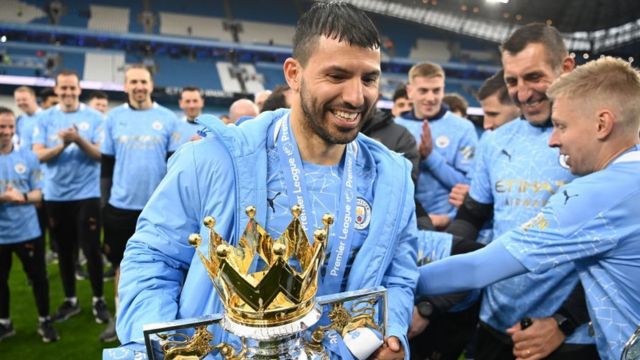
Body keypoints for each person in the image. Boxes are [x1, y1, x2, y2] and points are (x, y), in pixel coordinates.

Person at [113, 3, 417, 359]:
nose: (356, 96)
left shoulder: (392, 178)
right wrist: (162, 350)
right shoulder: (214, 158)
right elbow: (153, 258)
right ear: (294, 74)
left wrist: (393, 330)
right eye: (336, 76)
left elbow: (399, 275)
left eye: (369, 78)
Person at [418, 56, 640, 360]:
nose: (553, 140)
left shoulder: (598, 195)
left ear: (602, 124)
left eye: (561, 126)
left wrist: (396, 280)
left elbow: (477, 269)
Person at [443, 23, 597, 360]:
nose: (523, 93)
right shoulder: (495, 141)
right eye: (512, 81)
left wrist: (563, 321)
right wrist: (435, 280)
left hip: (570, 338)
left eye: (534, 77)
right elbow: (471, 217)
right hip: (493, 324)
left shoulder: (601, 142)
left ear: (566, 68)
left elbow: (618, 252)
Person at [100, 64, 179, 342]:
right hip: (120, 208)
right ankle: (122, 322)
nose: (138, 86)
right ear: (125, 86)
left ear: (151, 85)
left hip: (156, 209)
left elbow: (173, 168)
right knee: (122, 268)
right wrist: (103, 204)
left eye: (143, 81)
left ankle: (162, 325)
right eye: (133, 82)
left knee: (163, 265)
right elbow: (107, 166)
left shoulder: (168, 118)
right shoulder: (113, 118)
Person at [31, 70, 111, 327]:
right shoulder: (44, 118)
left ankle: (99, 299)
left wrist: (78, 139)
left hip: (87, 194)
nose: (67, 93)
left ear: (79, 89)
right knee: (65, 251)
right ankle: (71, 300)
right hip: (55, 194)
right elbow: (38, 156)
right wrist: (62, 145)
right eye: (62, 88)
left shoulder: (95, 117)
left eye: (72, 88)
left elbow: (101, 155)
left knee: (91, 248)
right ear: (56, 90)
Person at [0, 107, 59, 343]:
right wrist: (4, 197)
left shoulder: (28, 157)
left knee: (39, 278)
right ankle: (4, 323)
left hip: (27, 231)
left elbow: (39, 193)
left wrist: (21, 197)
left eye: (10, 127)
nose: (5, 132)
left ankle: (45, 320)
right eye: (1, 126)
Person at [396, 62, 478, 230]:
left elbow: (468, 187)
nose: (431, 98)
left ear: (443, 89)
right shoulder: (396, 128)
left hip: (447, 226)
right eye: (423, 90)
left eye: (436, 90)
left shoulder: (463, 128)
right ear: (410, 91)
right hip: (403, 224)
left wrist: (430, 157)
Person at [13, 86, 41, 150]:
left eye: (24, 99)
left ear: (33, 98)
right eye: (18, 100)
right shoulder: (20, 120)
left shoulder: (46, 117)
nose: (21, 102)